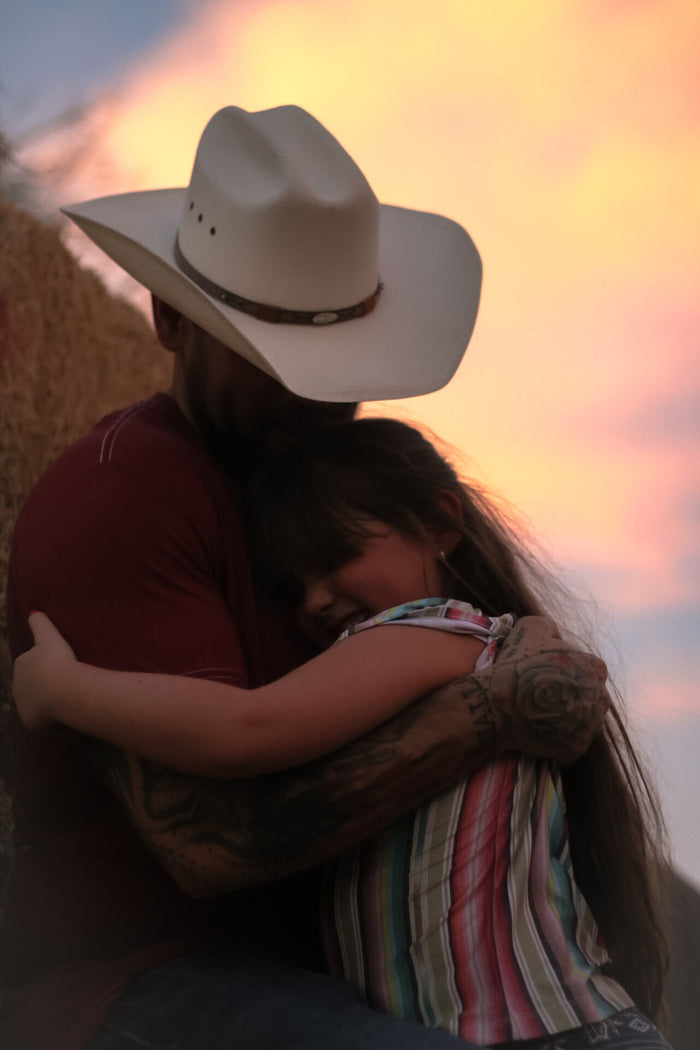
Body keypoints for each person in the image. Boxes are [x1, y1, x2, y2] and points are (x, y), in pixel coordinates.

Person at [3, 105, 613, 1050]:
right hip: (135, 980)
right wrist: (495, 707)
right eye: (273, 357)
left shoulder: (304, 495)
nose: (317, 394)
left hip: (326, 979)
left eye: (337, 360)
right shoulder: (122, 497)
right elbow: (214, 842)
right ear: (171, 318)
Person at [13, 418, 672, 1049]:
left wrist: (65, 690)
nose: (315, 600)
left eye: (336, 558)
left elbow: (245, 729)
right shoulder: (475, 653)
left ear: (440, 525)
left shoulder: (432, 631)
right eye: (294, 586)